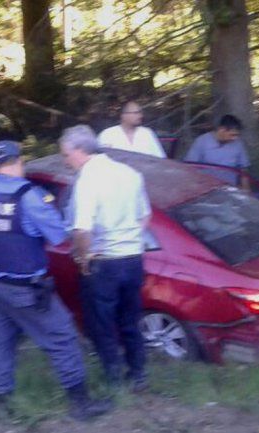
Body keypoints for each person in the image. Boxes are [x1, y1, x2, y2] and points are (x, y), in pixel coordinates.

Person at [0, 140, 112, 421]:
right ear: (17, 163)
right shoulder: (28, 196)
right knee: (62, 336)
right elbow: (57, 236)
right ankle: (81, 405)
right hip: (25, 290)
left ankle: (3, 407)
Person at [61, 125, 151, 392]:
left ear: (79, 151)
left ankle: (113, 378)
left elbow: (81, 228)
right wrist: (129, 237)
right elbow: (144, 215)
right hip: (133, 258)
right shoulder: (130, 174)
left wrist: (83, 256)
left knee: (100, 322)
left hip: (104, 261)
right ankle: (138, 374)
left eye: (66, 155)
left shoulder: (88, 180)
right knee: (130, 320)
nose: (66, 161)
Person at [184, 114, 251, 190]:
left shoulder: (238, 144)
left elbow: (244, 169)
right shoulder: (202, 141)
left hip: (230, 189)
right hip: (207, 189)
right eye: (232, 135)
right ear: (222, 130)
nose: (235, 138)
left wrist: (246, 190)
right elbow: (190, 167)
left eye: (237, 135)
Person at [97, 101, 166, 158]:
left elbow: (160, 158)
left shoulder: (147, 133)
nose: (140, 116)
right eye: (136, 113)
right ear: (123, 115)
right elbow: (99, 161)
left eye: (140, 112)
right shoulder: (107, 134)